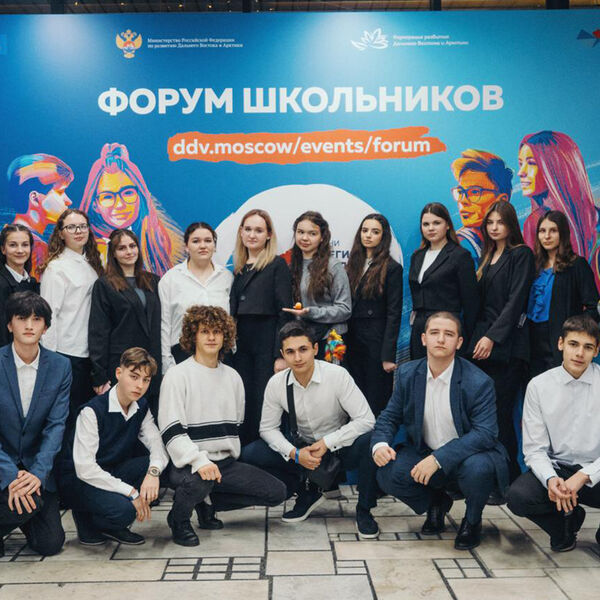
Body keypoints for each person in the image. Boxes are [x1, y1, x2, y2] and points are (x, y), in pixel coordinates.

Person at [372, 312, 508, 550]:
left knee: (478, 469)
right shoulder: (407, 374)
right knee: (388, 472)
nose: (441, 339)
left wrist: (438, 459)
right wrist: (380, 444)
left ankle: (472, 521)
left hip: (468, 457)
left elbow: (485, 433)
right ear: (424, 339)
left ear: (459, 342)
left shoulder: (478, 382)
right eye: (434, 333)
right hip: (426, 451)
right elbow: (390, 416)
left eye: (449, 334)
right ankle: (437, 502)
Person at [158, 305, 286, 547]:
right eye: (204, 331)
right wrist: (199, 461)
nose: (211, 337)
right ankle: (179, 520)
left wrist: (216, 463)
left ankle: (207, 502)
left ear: (225, 336)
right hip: (187, 463)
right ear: (193, 335)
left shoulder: (233, 377)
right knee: (199, 481)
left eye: (217, 331)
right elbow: (171, 431)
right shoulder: (177, 375)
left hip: (224, 463)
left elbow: (236, 423)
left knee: (276, 492)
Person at [241, 321, 381, 539]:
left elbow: (366, 420)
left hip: (340, 448)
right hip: (303, 449)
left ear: (315, 349)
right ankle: (307, 490)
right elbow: (267, 428)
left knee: (370, 441)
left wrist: (327, 443)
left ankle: (364, 510)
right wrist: (295, 454)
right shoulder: (277, 383)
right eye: (290, 352)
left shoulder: (337, 375)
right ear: (283, 355)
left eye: (303, 349)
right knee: (251, 454)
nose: (297, 357)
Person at [507, 315, 600, 552]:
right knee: (518, 497)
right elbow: (534, 449)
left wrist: (584, 475)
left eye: (588, 347)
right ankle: (564, 524)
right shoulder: (539, 386)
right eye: (573, 344)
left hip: (596, 471)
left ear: (596, 351)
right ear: (561, 344)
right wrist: (550, 479)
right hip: (559, 469)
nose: (579, 353)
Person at [59, 347, 169, 546]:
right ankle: (88, 519)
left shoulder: (140, 406)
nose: (139, 385)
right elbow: (85, 468)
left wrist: (153, 473)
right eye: (134, 376)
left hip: (110, 470)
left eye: (146, 380)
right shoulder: (92, 411)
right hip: (78, 480)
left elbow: (156, 444)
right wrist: (131, 493)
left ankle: (102, 521)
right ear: (119, 373)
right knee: (126, 510)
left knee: (159, 467)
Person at [468, 201, 535, 484]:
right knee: (482, 415)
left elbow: (516, 302)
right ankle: (490, 476)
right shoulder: (486, 256)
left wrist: (492, 337)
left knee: (500, 413)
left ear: (510, 225)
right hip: (482, 348)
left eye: (500, 222)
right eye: (490, 223)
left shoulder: (521, 254)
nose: (494, 228)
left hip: (507, 347)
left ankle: (509, 478)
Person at [0, 292, 71, 557]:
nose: (29, 325)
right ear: (10, 325)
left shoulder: (60, 366)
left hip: (35, 468)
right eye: (22, 318)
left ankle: (18, 511)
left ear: (46, 327)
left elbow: (56, 426)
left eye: (37, 319)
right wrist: (11, 476)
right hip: (2, 464)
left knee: (50, 543)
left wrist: (37, 474)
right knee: (23, 503)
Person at [230, 209, 292, 445]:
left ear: (268, 235)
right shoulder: (238, 267)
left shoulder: (277, 265)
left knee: (263, 398)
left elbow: (285, 312)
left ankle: (262, 450)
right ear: (241, 232)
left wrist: (280, 354)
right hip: (242, 344)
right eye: (248, 229)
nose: (252, 235)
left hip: (267, 340)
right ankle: (245, 448)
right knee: (244, 397)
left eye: (258, 230)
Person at [79, 142, 184, 276]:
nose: (119, 205)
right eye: (108, 197)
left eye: (128, 193)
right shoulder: (88, 251)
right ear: (95, 205)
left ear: (141, 196)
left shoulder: (158, 242)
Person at [39, 209, 104, 422]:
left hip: (91, 354)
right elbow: (48, 317)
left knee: (87, 418)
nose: (78, 231)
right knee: (67, 417)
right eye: (71, 227)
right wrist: (51, 360)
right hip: (66, 354)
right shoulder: (56, 268)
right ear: (61, 233)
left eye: (83, 226)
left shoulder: (94, 263)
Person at [89, 229, 162, 417]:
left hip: (151, 365)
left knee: (149, 420)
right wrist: (99, 375)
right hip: (122, 363)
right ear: (113, 253)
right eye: (122, 248)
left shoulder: (153, 281)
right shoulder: (104, 285)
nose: (129, 252)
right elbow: (98, 331)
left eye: (132, 246)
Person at [518, 131, 598, 286]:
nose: (521, 172)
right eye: (521, 164)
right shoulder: (534, 222)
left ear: (555, 167)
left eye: (531, 163)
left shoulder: (536, 222)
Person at [527, 211, 599, 379]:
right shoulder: (533, 266)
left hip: (560, 338)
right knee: (536, 385)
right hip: (532, 338)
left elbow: (592, 307)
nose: (547, 236)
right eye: (542, 231)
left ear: (563, 233)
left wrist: (573, 332)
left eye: (553, 230)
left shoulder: (577, 264)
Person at [345, 213, 403, 416]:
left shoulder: (392, 268)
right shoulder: (352, 264)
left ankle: (377, 436)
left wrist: (387, 355)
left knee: (375, 398)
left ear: (383, 236)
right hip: (351, 339)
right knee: (353, 396)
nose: (368, 235)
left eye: (375, 231)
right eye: (365, 230)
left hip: (376, 341)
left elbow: (394, 312)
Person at [159, 222, 233, 373]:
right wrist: (167, 363)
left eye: (208, 240)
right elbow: (164, 324)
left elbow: (232, 317)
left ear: (214, 246)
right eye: (196, 241)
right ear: (186, 247)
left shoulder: (226, 277)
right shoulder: (170, 279)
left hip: (219, 355)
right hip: (182, 353)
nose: (202, 246)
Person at [408, 203, 478, 360]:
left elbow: (471, 303)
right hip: (420, 330)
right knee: (419, 373)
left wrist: (471, 341)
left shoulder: (460, 255)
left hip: (447, 329)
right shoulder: (417, 256)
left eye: (436, 223)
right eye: (426, 224)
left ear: (447, 225)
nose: (431, 228)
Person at [283, 211, 352, 359]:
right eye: (300, 232)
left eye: (312, 233)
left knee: (332, 375)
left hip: (332, 339)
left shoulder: (333, 266)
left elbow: (345, 309)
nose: (305, 238)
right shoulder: (291, 266)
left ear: (322, 238)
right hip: (304, 339)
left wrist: (311, 312)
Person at [6, 153, 74, 277]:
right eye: (60, 192)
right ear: (35, 198)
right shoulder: (37, 248)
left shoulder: (5, 235)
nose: (68, 201)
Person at [450, 149, 513, 264]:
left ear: (502, 200)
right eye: (460, 192)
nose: (463, 201)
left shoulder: (510, 243)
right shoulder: (462, 247)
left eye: (474, 192)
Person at [0, 224, 40, 347]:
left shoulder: (32, 283)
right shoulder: (2, 284)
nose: (20, 250)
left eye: (25, 245)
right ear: (3, 249)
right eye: (13, 245)